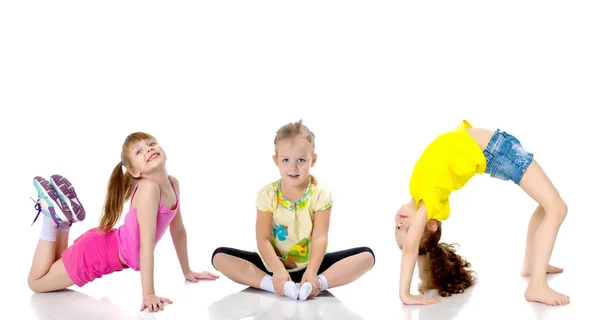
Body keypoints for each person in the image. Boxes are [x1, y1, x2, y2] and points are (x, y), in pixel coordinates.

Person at [27, 132, 219, 313]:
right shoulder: (149, 189)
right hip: (96, 255)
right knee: (36, 283)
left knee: (55, 267)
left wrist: (187, 270)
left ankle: (61, 222)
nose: (149, 149)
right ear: (135, 171)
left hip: (100, 245)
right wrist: (148, 294)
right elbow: (146, 244)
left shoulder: (173, 183)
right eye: (139, 151)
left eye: (151, 144)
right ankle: (49, 218)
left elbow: (178, 231)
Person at [394, 120, 569, 306]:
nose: (399, 226)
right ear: (430, 224)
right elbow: (410, 248)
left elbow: (412, 245)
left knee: (546, 204)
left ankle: (532, 264)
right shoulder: (429, 202)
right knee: (557, 208)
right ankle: (537, 286)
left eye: (396, 229)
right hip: (498, 152)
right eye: (408, 231)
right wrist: (405, 294)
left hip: (497, 148)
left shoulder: (417, 189)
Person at [211, 120, 375, 300]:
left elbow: (320, 236)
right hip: (272, 266)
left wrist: (312, 272)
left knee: (367, 256)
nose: (293, 167)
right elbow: (263, 238)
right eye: (286, 160)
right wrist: (278, 271)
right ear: (276, 161)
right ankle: (274, 285)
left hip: (312, 265)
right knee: (219, 257)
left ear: (313, 160)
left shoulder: (320, 193)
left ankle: (316, 284)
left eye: (301, 160)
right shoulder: (268, 194)